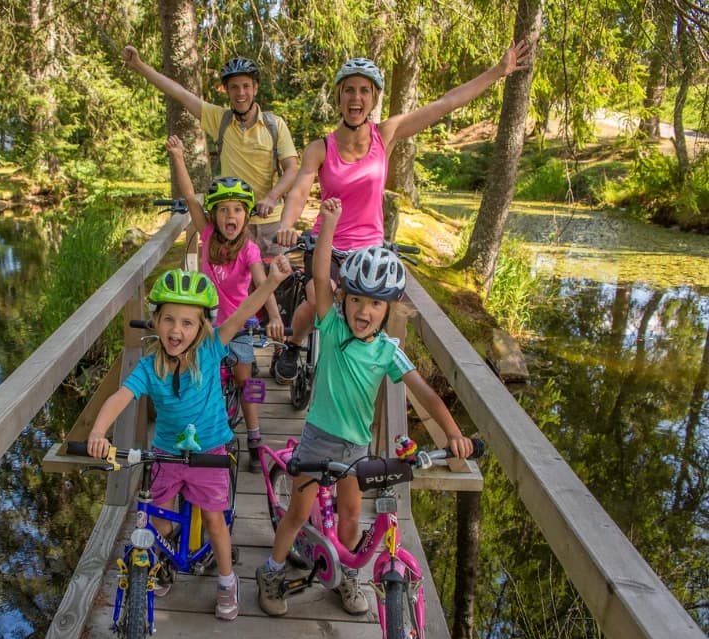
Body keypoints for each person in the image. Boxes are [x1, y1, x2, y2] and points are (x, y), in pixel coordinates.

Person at [256, 197, 474, 617]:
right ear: (344, 301)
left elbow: (425, 392)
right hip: (319, 438)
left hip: (356, 448)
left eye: (375, 304)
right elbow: (321, 274)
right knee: (299, 514)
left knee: (352, 517)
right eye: (357, 300)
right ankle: (271, 570)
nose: (364, 310)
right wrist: (331, 225)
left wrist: (452, 434)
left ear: (388, 309)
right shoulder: (332, 326)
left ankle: (349, 574)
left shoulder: (388, 352)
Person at [271, 40, 532, 384]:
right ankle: (293, 344)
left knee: (372, 314)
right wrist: (288, 225)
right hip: (327, 243)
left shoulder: (386, 135)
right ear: (339, 97)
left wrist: (498, 71)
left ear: (374, 99)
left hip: (369, 248)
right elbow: (301, 189)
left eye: (364, 91)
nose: (356, 98)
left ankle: (360, 379)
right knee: (316, 298)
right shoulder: (320, 148)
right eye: (349, 90)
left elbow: (444, 104)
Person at [88, 257, 292, 621]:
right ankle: (162, 565)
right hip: (166, 452)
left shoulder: (211, 349)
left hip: (210, 451)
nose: (176, 329)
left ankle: (228, 582)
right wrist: (98, 431)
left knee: (215, 521)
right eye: (168, 319)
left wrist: (272, 281)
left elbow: (243, 309)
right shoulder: (150, 366)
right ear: (156, 322)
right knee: (159, 522)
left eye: (186, 322)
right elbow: (121, 397)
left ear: (200, 327)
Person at [165, 134, 285, 471]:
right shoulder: (206, 236)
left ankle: (255, 436)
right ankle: (201, 429)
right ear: (214, 216)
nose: (230, 216)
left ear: (245, 217)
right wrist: (178, 155)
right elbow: (189, 196)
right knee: (200, 379)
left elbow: (263, 285)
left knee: (247, 380)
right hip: (206, 327)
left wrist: (273, 317)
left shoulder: (249, 249)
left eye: (237, 210)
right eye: (223, 210)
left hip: (239, 326)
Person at [122, 46, 300, 257]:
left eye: (246, 86)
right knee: (237, 287)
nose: (240, 93)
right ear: (227, 90)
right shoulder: (220, 120)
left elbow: (291, 169)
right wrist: (139, 65)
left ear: (255, 88)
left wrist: (271, 198)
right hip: (234, 224)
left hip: (271, 222)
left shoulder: (274, 124)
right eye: (234, 87)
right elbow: (179, 93)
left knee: (279, 283)